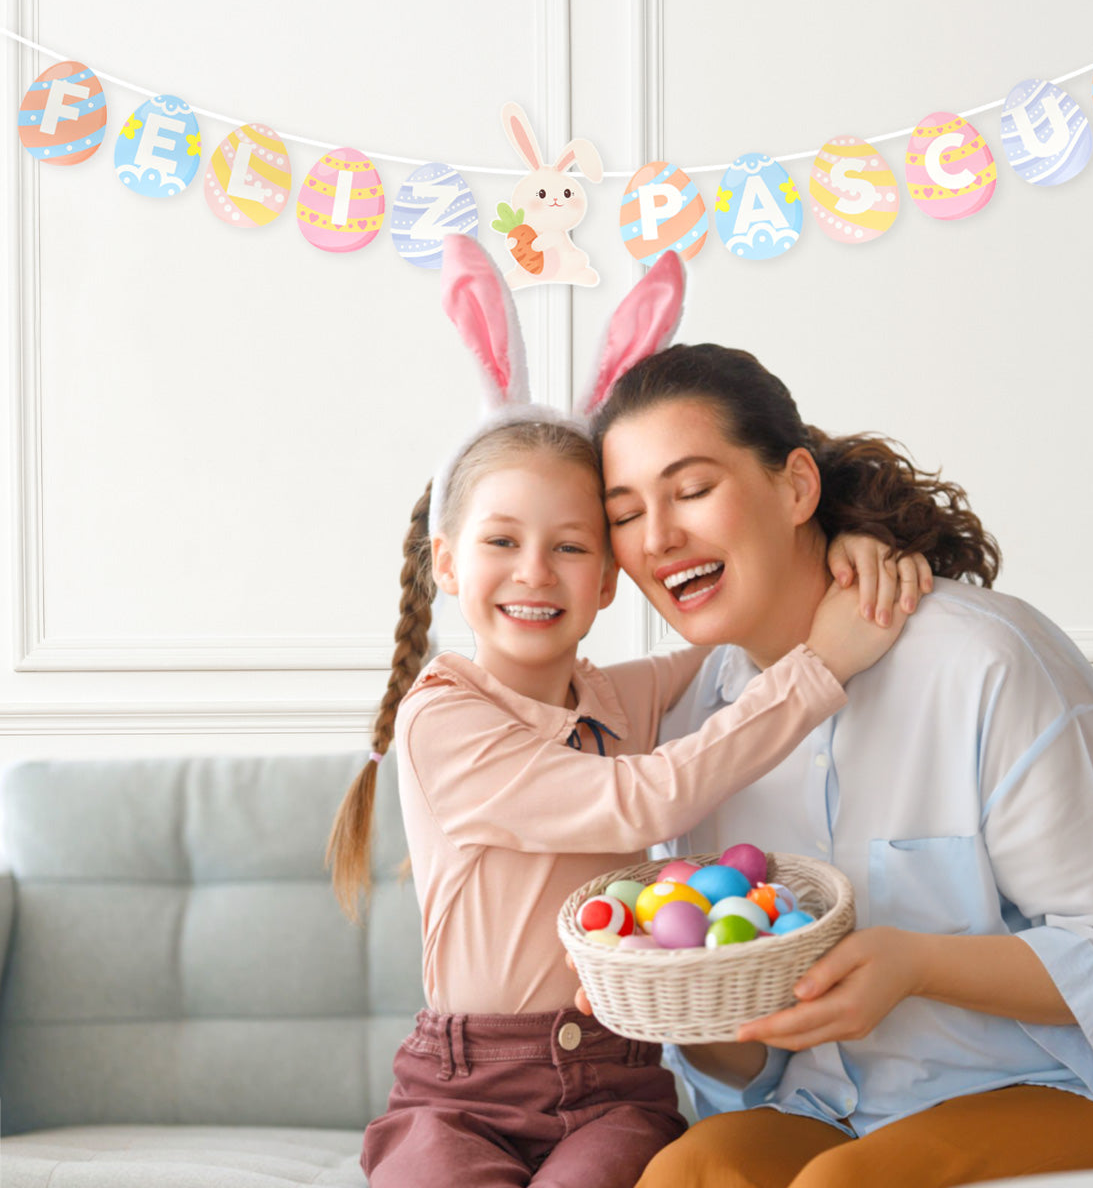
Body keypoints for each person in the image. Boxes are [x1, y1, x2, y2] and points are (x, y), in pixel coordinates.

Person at [325, 240, 921, 1188]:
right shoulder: (441, 719)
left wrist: (836, 544)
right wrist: (821, 671)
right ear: (447, 564)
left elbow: (748, 616)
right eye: (501, 542)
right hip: (460, 1087)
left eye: (571, 548)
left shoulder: (623, 694)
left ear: (610, 580)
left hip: (618, 1083)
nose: (534, 572)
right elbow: (639, 803)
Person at [584, 342, 1093, 1187]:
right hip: (837, 1115)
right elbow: (743, 1072)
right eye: (624, 514)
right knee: (687, 1174)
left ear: (797, 486)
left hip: (1080, 1097)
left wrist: (913, 965)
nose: (659, 537)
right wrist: (678, 1001)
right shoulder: (700, 722)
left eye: (692, 490)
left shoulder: (985, 662)